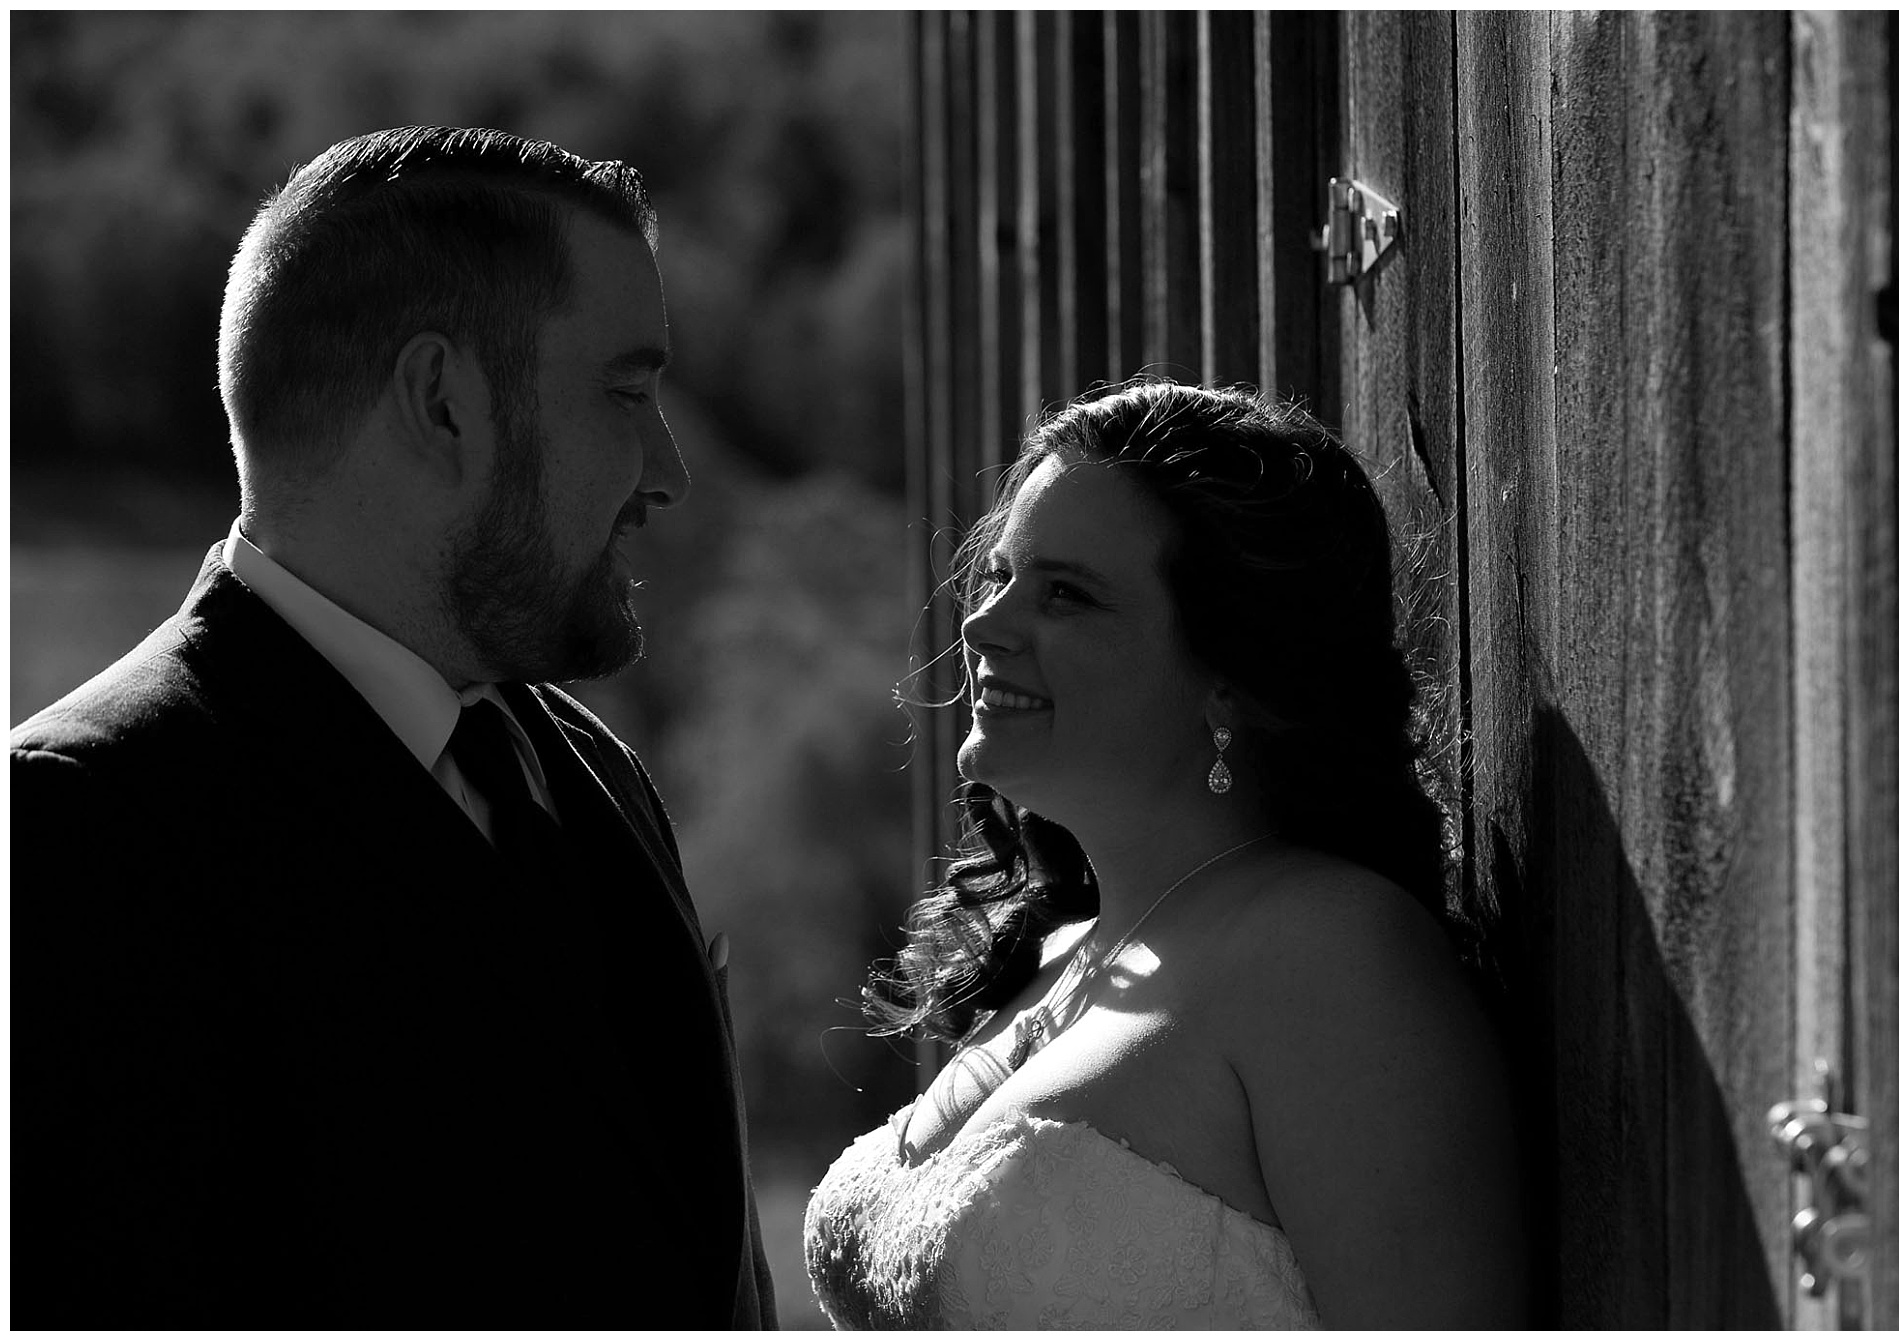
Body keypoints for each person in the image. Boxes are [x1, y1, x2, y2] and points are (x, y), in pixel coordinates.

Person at [10, 126, 774, 1327]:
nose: (666, 468)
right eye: (626, 392)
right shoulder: (81, 829)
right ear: (442, 403)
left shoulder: (594, 775)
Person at [804, 380, 1527, 1328]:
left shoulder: (1334, 957)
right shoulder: (1060, 952)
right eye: (1000, 577)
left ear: (1231, 676)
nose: (983, 627)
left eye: (1066, 594)